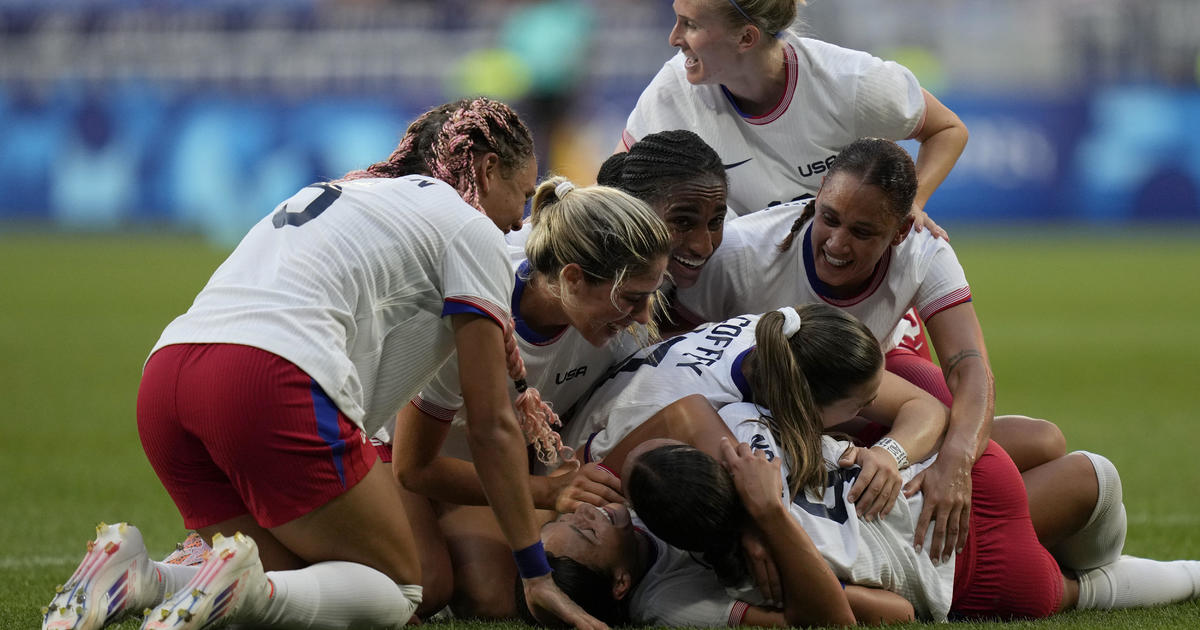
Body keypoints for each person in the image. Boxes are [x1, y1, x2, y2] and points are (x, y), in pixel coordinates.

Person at [41, 98, 605, 630]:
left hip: (166, 380)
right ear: (484, 170)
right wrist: (535, 573)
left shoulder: (352, 190)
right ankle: (243, 594)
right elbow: (490, 425)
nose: (519, 220)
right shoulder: (470, 227)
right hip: (265, 377)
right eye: (522, 195)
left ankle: (138, 577)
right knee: (402, 589)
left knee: (293, 572)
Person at [674, 137, 1069, 560]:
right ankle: (957, 537)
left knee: (1043, 441)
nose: (838, 244)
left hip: (857, 403)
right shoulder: (742, 250)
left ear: (900, 230)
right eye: (830, 218)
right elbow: (675, 359)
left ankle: (912, 504)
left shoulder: (923, 249)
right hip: (767, 422)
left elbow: (970, 366)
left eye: (863, 232)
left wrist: (954, 462)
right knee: (992, 430)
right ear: (820, 189)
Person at [386, 176, 670, 618]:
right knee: (430, 585)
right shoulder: (479, 302)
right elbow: (414, 468)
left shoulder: (614, 321)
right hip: (393, 449)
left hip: (481, 466)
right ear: (573, 277)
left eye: (649, 295)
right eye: (633, 299)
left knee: (496, 599)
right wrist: (546, 491)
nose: (643, 316)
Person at [561, 305, 947, 531]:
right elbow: (586, 489)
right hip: (584, 458)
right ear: (806, 407)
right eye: (861, 404)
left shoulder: (786, 340)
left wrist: (888, 453)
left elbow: (926, 406)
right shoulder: (694, 413)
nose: (867, 410)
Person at [621, 0, 967, 225]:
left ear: (746, 38)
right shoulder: (674, 87)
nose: (673, 38)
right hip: (752, 290)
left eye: (690, 24)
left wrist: (912, 204)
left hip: (850, 281)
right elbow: (619, 181)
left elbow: (947, 129)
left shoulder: (850, 82)